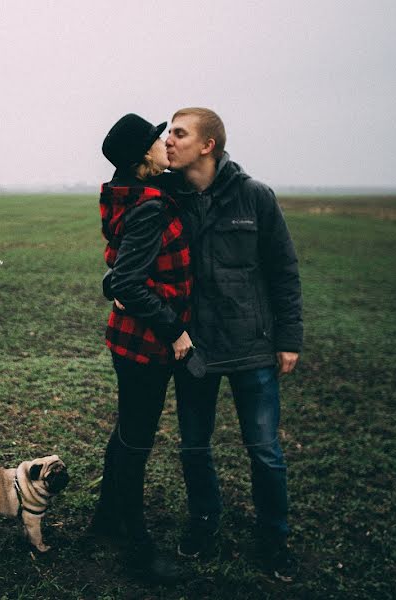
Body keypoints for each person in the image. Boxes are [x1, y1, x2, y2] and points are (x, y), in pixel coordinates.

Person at [160, 107, 303, 582]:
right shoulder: (166, 198)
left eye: (179, 133)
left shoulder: (255, 196)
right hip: (194, 349)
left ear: (208, 145)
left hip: (252, 347)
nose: (169, 140)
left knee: (264, 450)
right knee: (194, 448)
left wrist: (289, 339)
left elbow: (283, 270)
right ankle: (203, 521)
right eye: (168, 132)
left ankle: (274, 537)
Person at [91, 113, 194, 584]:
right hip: (146, 344)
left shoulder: (126, 191)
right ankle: (137, 545)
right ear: (140, 159)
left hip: (128, 337)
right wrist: (174, 330)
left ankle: (105, 521)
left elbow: (122, 272)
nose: (163, 143)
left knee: (126, 434)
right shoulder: (149, 203)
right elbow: (130, 280)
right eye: (156, 140)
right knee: (136, 442)